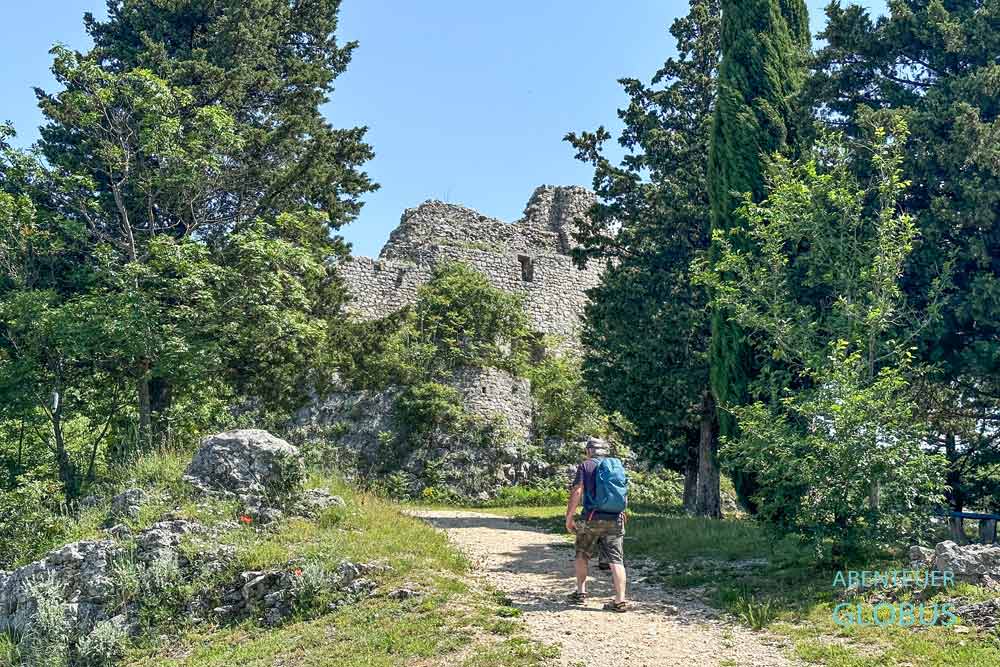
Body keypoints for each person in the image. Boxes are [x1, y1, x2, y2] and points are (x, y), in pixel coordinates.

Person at [565, 437, 628, 612]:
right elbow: (623, 491)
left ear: (588, 451)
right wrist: (622, 511)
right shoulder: (615, 466)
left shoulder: (586, 466)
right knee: (616, 559)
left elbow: (577, 491)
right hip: (615, 517)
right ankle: (620, 600)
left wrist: (569, 517)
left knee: (582, 554)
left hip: (591, 518)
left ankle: (580, 593)